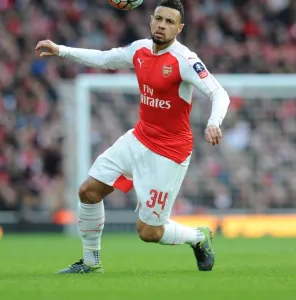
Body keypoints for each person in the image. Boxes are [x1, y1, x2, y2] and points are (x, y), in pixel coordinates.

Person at [35, 0, 230, 273]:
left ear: (180, 28)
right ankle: (91, 263)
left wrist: (214, 122)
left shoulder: (185, 60)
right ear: (151, 19)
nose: (162, 25)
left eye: (170, 22)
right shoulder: (139, 50)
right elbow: (103, 59)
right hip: (138, 138)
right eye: (159, 19)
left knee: (149, 231)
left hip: (169, 152)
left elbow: (219, 93)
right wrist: (61, 50)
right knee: (88, 191)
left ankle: (199, 237)